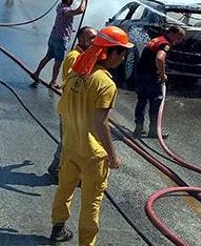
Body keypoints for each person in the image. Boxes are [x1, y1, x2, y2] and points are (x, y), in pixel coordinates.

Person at [49, 26, 133, 245]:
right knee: (91, 202)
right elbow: (100, 123)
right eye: (122, 52)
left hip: (70, 146)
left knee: (64, 188)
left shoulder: (76, 72)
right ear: (111, 53)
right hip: (92, 154)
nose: (123, 58)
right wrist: (112, 156)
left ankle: (57, 228)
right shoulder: (105, 83)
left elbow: (62, 108)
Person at [47, 26, 98, 176]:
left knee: (72, 140)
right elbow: (74, 81)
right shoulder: (75, 57)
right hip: (72, 107)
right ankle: (57, 167)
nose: (94, 41)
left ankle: (61, 167)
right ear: (81, 39)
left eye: (96, 37)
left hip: (75, 107)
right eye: (91, 38)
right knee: (69, 140)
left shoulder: (83, 56)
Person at [133, 25, 186, 137]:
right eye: (179, 38)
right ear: (173, 33)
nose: (179, 41)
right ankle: (154, 131)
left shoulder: (156, 39)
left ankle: (138, 128)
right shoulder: (165, 44)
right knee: (155, 102)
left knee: (141, 101)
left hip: (141, 74)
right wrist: (162, 74)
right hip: (151, 77)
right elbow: (160, 58)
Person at [32, 0, 90, 88]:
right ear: (68, 0)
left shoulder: (60, 5)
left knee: (48, 56)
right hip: (60, 39)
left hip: (53, 36)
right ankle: (53, 82)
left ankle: (36, 73)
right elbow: (81, 10)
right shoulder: (66, 10)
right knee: (58, 61)